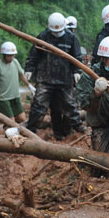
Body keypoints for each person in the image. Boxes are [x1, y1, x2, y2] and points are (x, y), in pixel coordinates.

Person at [24, 12, 86, 140]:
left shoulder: (71, 38)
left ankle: (77, 127)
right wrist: (29, 68)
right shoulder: (43, 36)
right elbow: (33, 55)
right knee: (39, 105)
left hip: (64, 79)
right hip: (45, 78)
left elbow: (77, 57)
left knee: (69, 105)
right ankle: (30, 130)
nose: (57, 34)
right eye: (54, 32)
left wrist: (76, 72)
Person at [0, 41, 35, 123]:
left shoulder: (15, 62)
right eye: (9, 56)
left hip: (15, 96)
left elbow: (21, 75)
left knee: (22, 118)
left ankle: (10, 127)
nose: (11, 57)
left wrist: (29, 86)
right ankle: (9, 128)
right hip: (4, 99)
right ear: (4, 55)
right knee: (11, 121)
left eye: (13, 55)